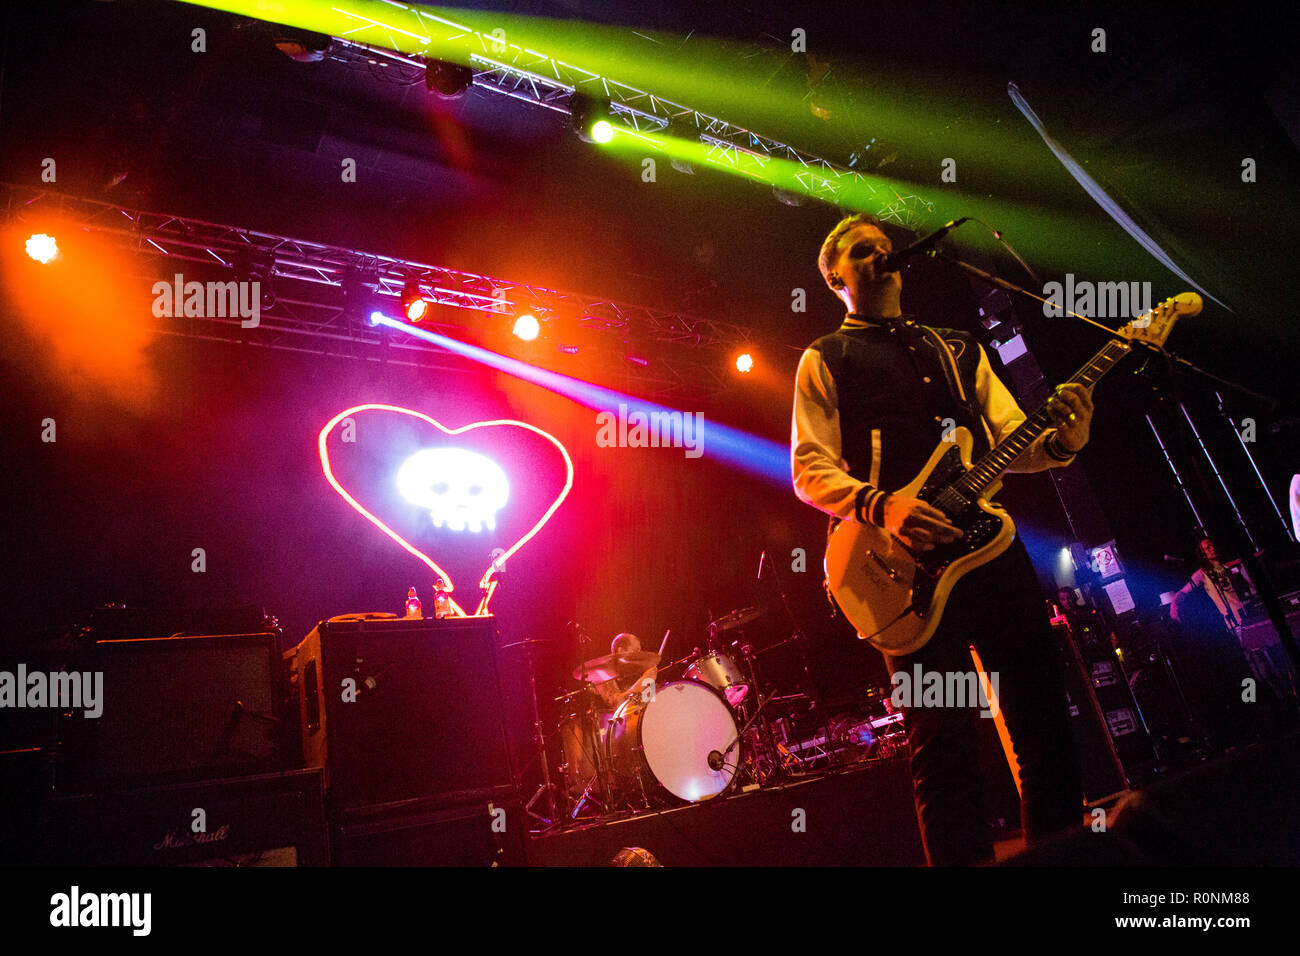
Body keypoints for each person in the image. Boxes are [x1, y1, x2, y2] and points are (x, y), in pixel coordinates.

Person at [791, 212, 1093, 865]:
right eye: (859, 253)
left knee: (1042, 719)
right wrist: (881, 506)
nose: (878, 256)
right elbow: (807, 469)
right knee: (943, 743)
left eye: (881, 247)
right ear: (834, 278)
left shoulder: (960, 347)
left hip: (990, 549)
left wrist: (1064, 439)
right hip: (901, 570)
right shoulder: (826, 358)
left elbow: (1015, 443)